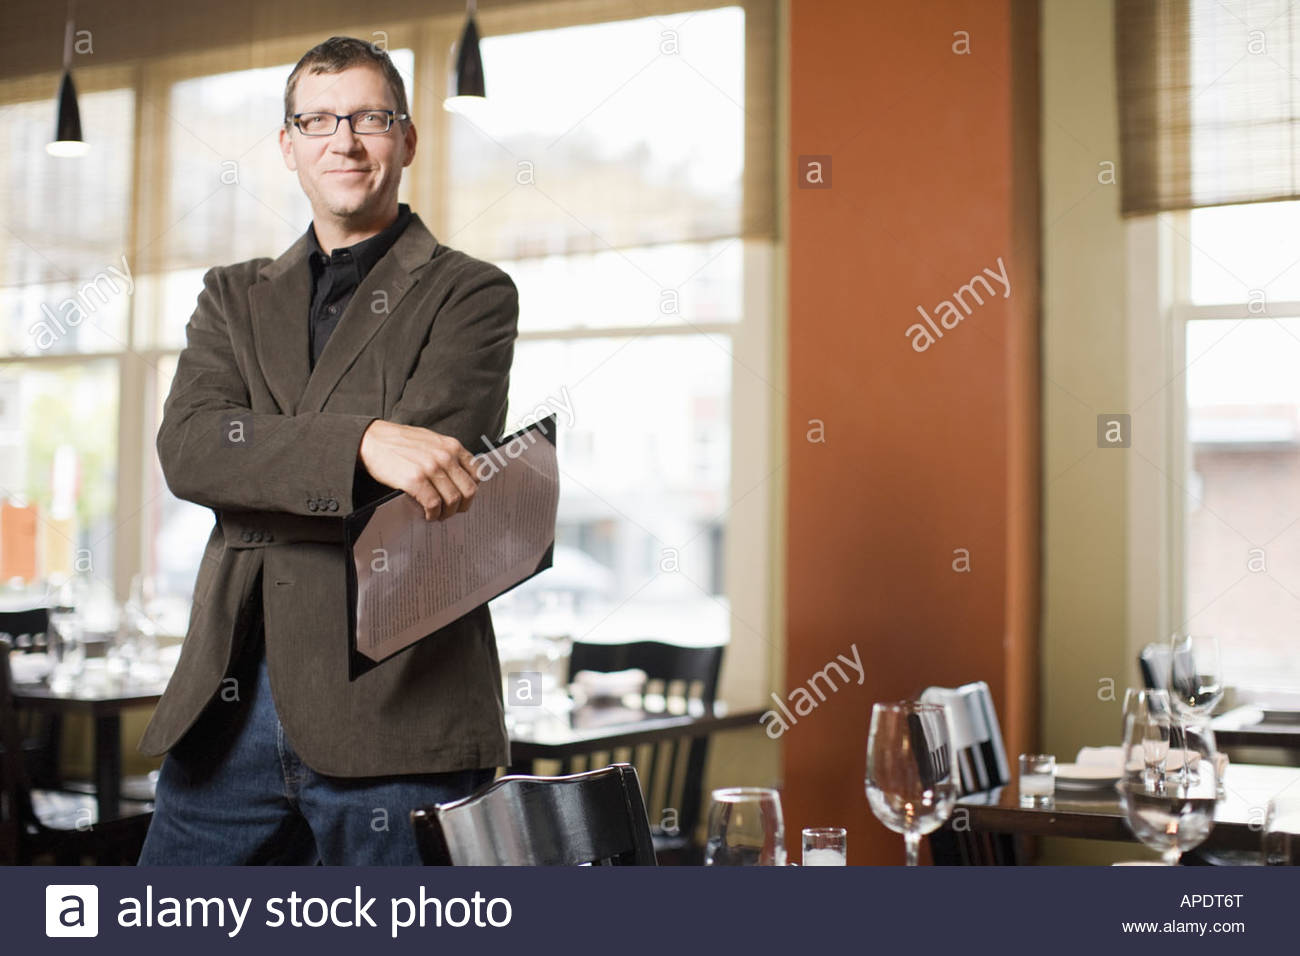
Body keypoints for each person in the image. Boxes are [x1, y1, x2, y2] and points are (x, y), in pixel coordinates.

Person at [136, 36, 517, 865]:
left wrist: (272, 464)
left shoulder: (472, 293)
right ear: (288, 146)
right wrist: (364, 438)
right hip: (225, 712)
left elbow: (421, 484)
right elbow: (191, 449)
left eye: (369, 118)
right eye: (317, 120)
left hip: (397, 710)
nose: (342, 140)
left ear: (406, 139)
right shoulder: (230, 296)